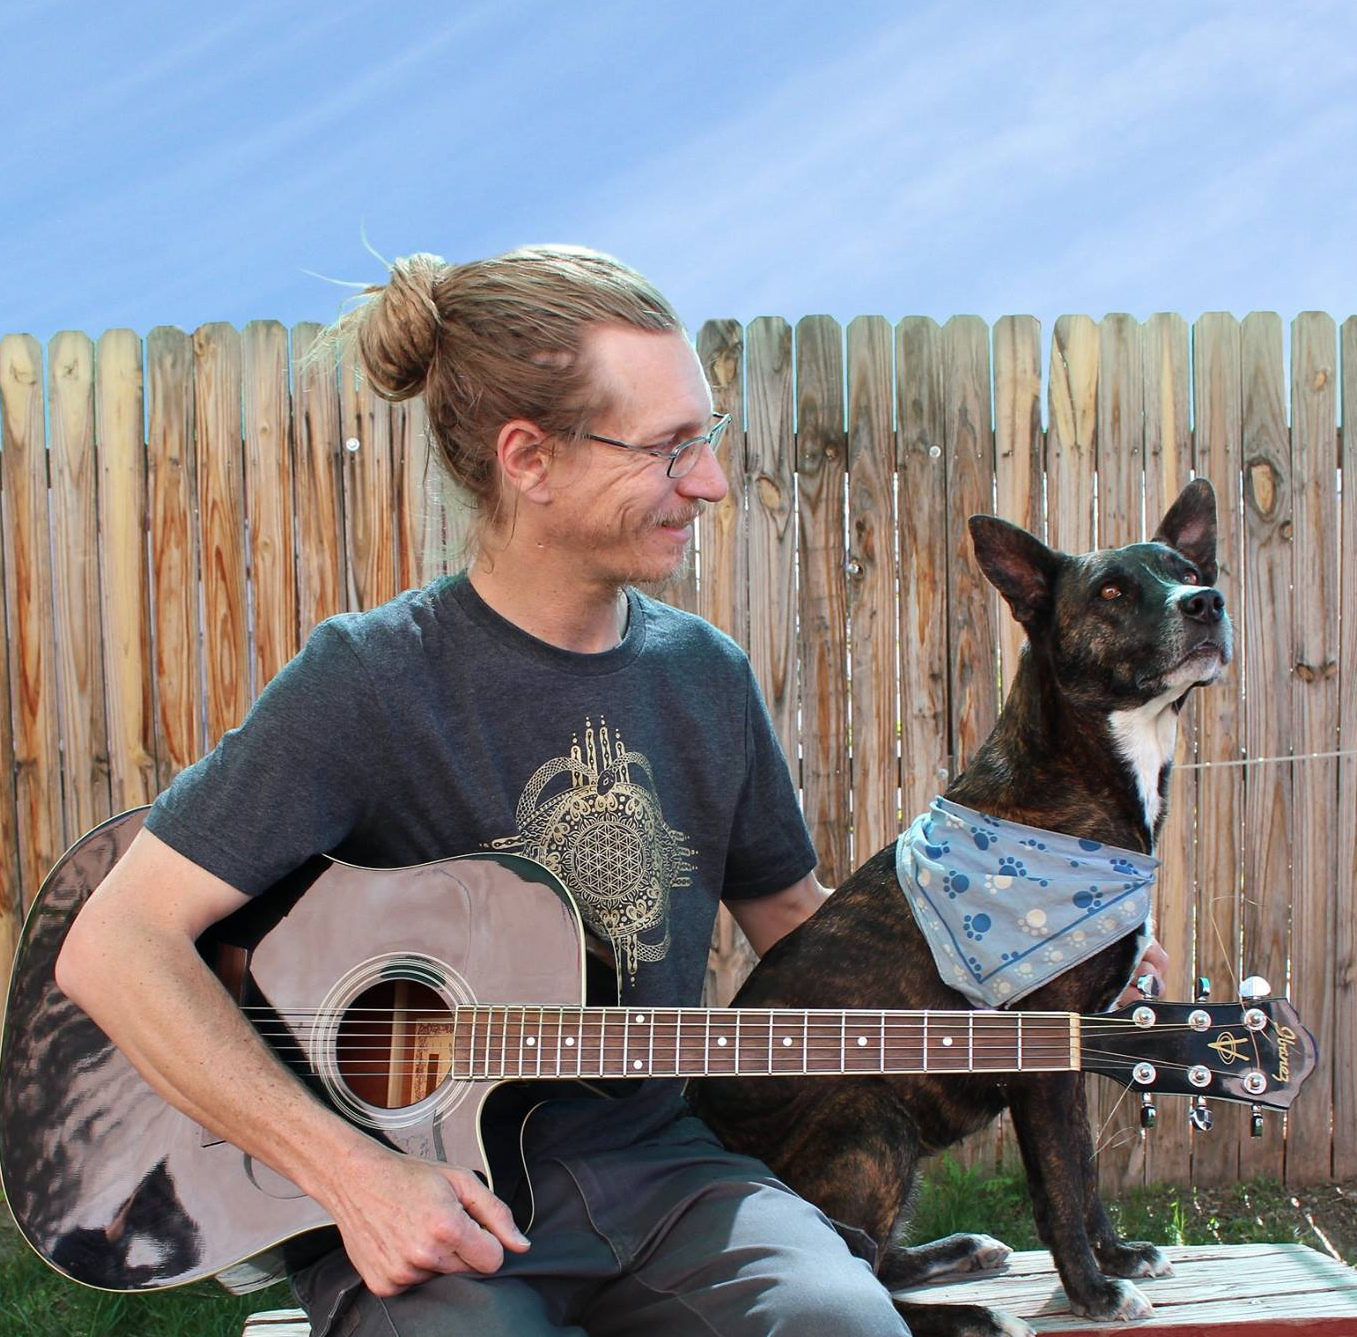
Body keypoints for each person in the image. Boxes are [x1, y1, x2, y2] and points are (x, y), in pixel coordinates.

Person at [55, 245, 917, 1337]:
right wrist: (353, 1175)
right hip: (424, 1197)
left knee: (845, 1323)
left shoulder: (706, 677)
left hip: (668, 1178)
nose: (707, 480)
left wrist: (1036, 975)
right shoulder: (370, 680)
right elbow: (113, 944)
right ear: (529, 458)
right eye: (667, 449)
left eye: (706, 438)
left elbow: (806, 936)